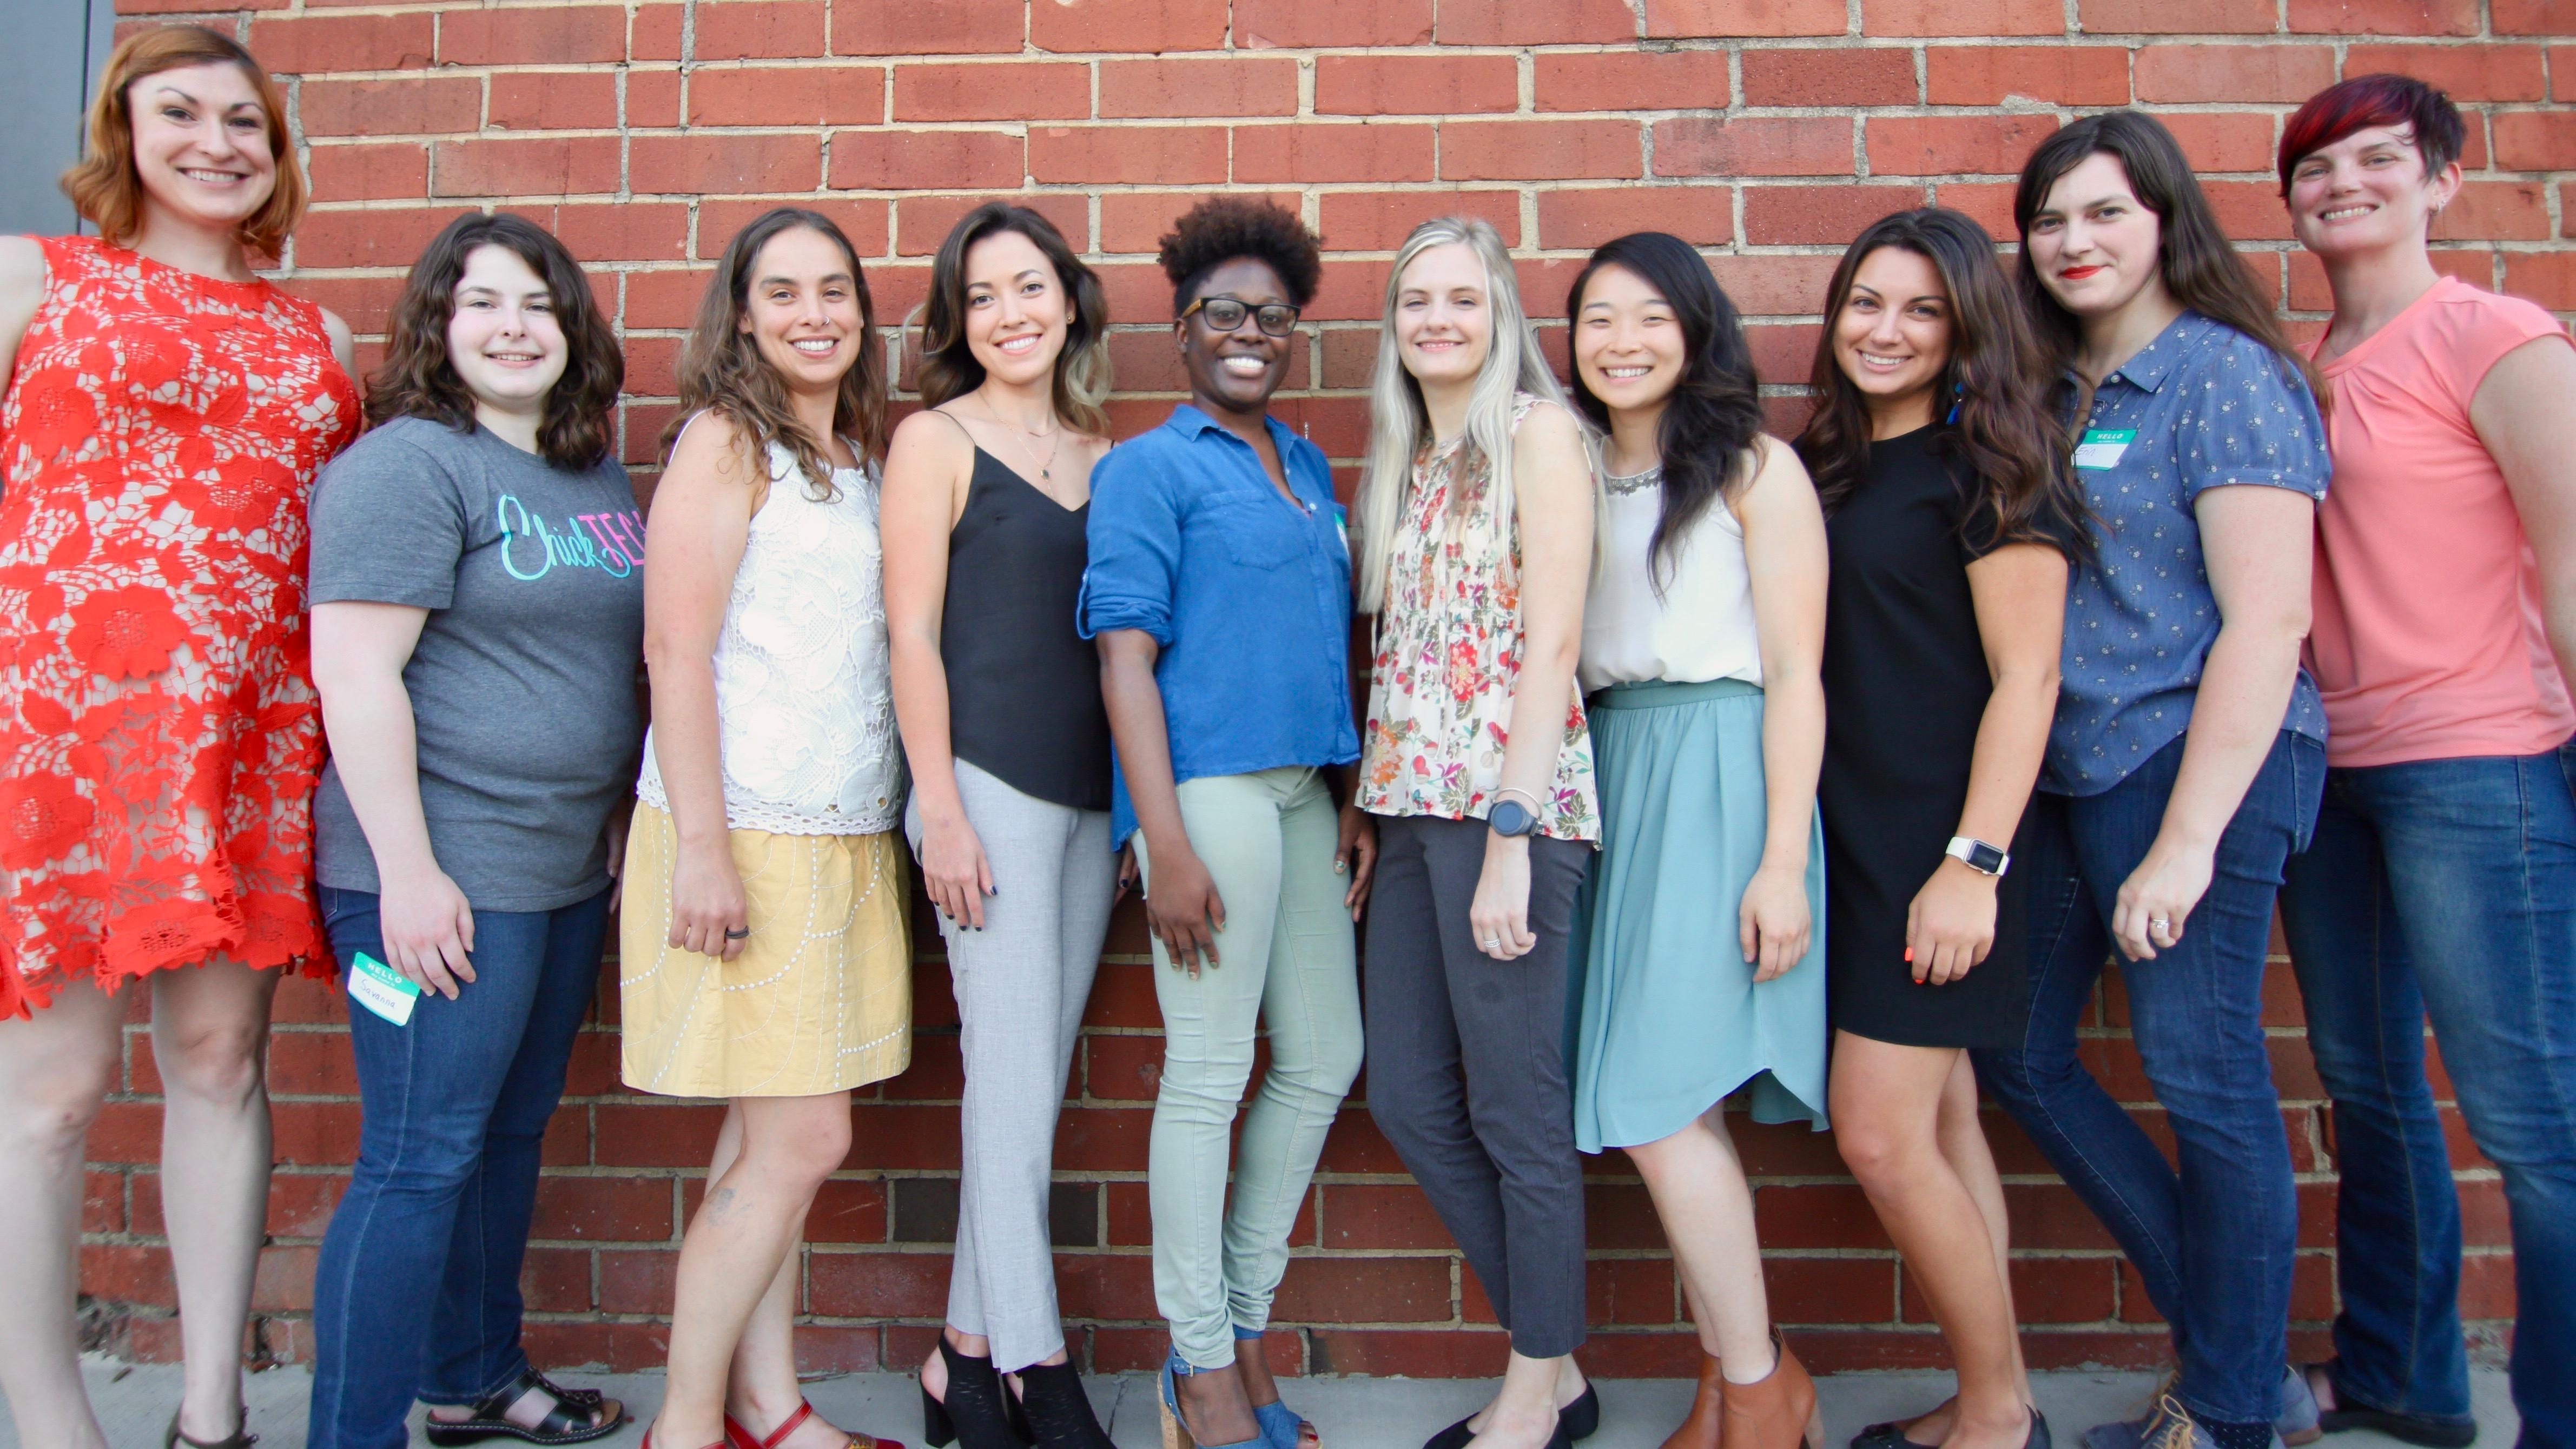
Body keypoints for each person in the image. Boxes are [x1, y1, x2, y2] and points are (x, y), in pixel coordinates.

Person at [0, 27, 358, 1449]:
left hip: (248, 739)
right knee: (56, 1091)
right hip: (65, 740)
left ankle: (215, 1413)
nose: (217, 140)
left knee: (219, 1064)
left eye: (245, 122)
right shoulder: (33, 278)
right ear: (122, 128)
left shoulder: (317, 336)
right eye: (182, 113)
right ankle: (46, 1418)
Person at [1969, 113, 2330, 1449]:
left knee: (2202, 1067)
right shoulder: (2051, 389)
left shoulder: (2221, 377)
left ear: (2165, 219)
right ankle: (2245, 1364)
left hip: (2195, 753)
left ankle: (2230, 1408)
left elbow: (2267, 621)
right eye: (2049, 219)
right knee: (2014, 1044)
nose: (2070, 241)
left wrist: (2185, 844)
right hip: (2075, 761)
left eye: (2102, 213)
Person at [2273, 74, 2576, 1449]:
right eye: (2316, 168)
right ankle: (2402, 1375)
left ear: (2441, 180)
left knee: (2533, 1116)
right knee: (2367, 1083)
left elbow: (2568, 565)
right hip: (2332, 774)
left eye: (2377, 160)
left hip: (2478, 765)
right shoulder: (2299, 363)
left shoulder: (2495, 338)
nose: (2342, 185)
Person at [303, 210, 635, 1449]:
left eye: (538, 304)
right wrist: (408, 873)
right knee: (417, 1155)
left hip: (553, 876)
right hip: (432, 877)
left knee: (503, 1133)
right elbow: (357, 678)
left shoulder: (584, 469)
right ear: (439, 326)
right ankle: (348, 1433)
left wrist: (606, 805)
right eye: (483, 302)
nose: (513, 327)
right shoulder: (408, 464)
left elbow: (594, 665)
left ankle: (472, 1377)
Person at [1795, 209, 2087, 1449]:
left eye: (1921, 309)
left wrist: (1971, 865)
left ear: (1964, 327)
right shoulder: (1828, 464)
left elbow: (2028, 678)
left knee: (1875, 1131)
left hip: (1940, 848)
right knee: (1943, 1121)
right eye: (1867, 300)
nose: (1886, 329)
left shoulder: (1991, 468)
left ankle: (1993, 1410)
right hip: (1849, 835)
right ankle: (1994, 1396)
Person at [621, 207, 909, 1449]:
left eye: (833, 290)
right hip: (740, 828)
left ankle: (770, 1408)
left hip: (843, 828)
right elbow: (673, 649)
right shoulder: (724, 443)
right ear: (741, 313)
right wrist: (701, 845)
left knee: (763, 1140)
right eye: (782, 292)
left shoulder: (853, 454)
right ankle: (684, 1428)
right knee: (807, 1135)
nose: (812, 314)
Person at [1083, 197, 1369, 1449]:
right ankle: (1199, 1366)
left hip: (1306, 792)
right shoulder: (1149, 467)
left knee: (1321, 1057)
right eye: (1223, 314)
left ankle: (1242, 1325)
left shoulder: (1304, 465)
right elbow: (1124, 659)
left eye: (1273, 316)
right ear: (1182, 329)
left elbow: (1318, 646)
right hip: (1204, 792)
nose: (1250, 332)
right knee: (1207, 1073)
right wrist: (1164, 841)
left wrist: (1352, 791)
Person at [1561, 230, 1829, 1449]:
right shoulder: (1560, 464)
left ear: (1697, 328)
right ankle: (1730, 1385)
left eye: (1651, 317)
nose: (1622, 343)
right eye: (1598, 319)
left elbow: (1794, 674)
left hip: (1719, 773)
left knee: (1661, 1103)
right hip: (1605, 768)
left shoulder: (1753, 470)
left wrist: (1779, 859)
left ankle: (1764, 1383)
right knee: (1653, 1101)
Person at [1354, 215, 1602, 1449]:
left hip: (1506, 815)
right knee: (1403, 1091)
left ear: (1501, 311)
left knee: (1516, 1108)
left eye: (1461, 298)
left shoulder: (1536, 435)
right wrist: (1369, 806)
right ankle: (1551, 1354)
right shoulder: (1411, 452)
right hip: (1409, 814)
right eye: (1414, 302)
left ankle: (1534, 1386)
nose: (1437, 321)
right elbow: (1409, 659)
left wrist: (1509, 831)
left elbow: (1547, 645)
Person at [882, 202, 1119, 1449]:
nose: (1010, 314)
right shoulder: (935, 439)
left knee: (1025, 1091)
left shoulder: (1100, 448)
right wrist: (940, 808)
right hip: (990, 793)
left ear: (1067, 300)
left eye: (1029, 287)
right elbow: (911, 631)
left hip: (1092, 803)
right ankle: (1037, 1362)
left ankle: (958, 1352)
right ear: (956, 320)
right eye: (981, 296)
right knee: (1008, 1080)